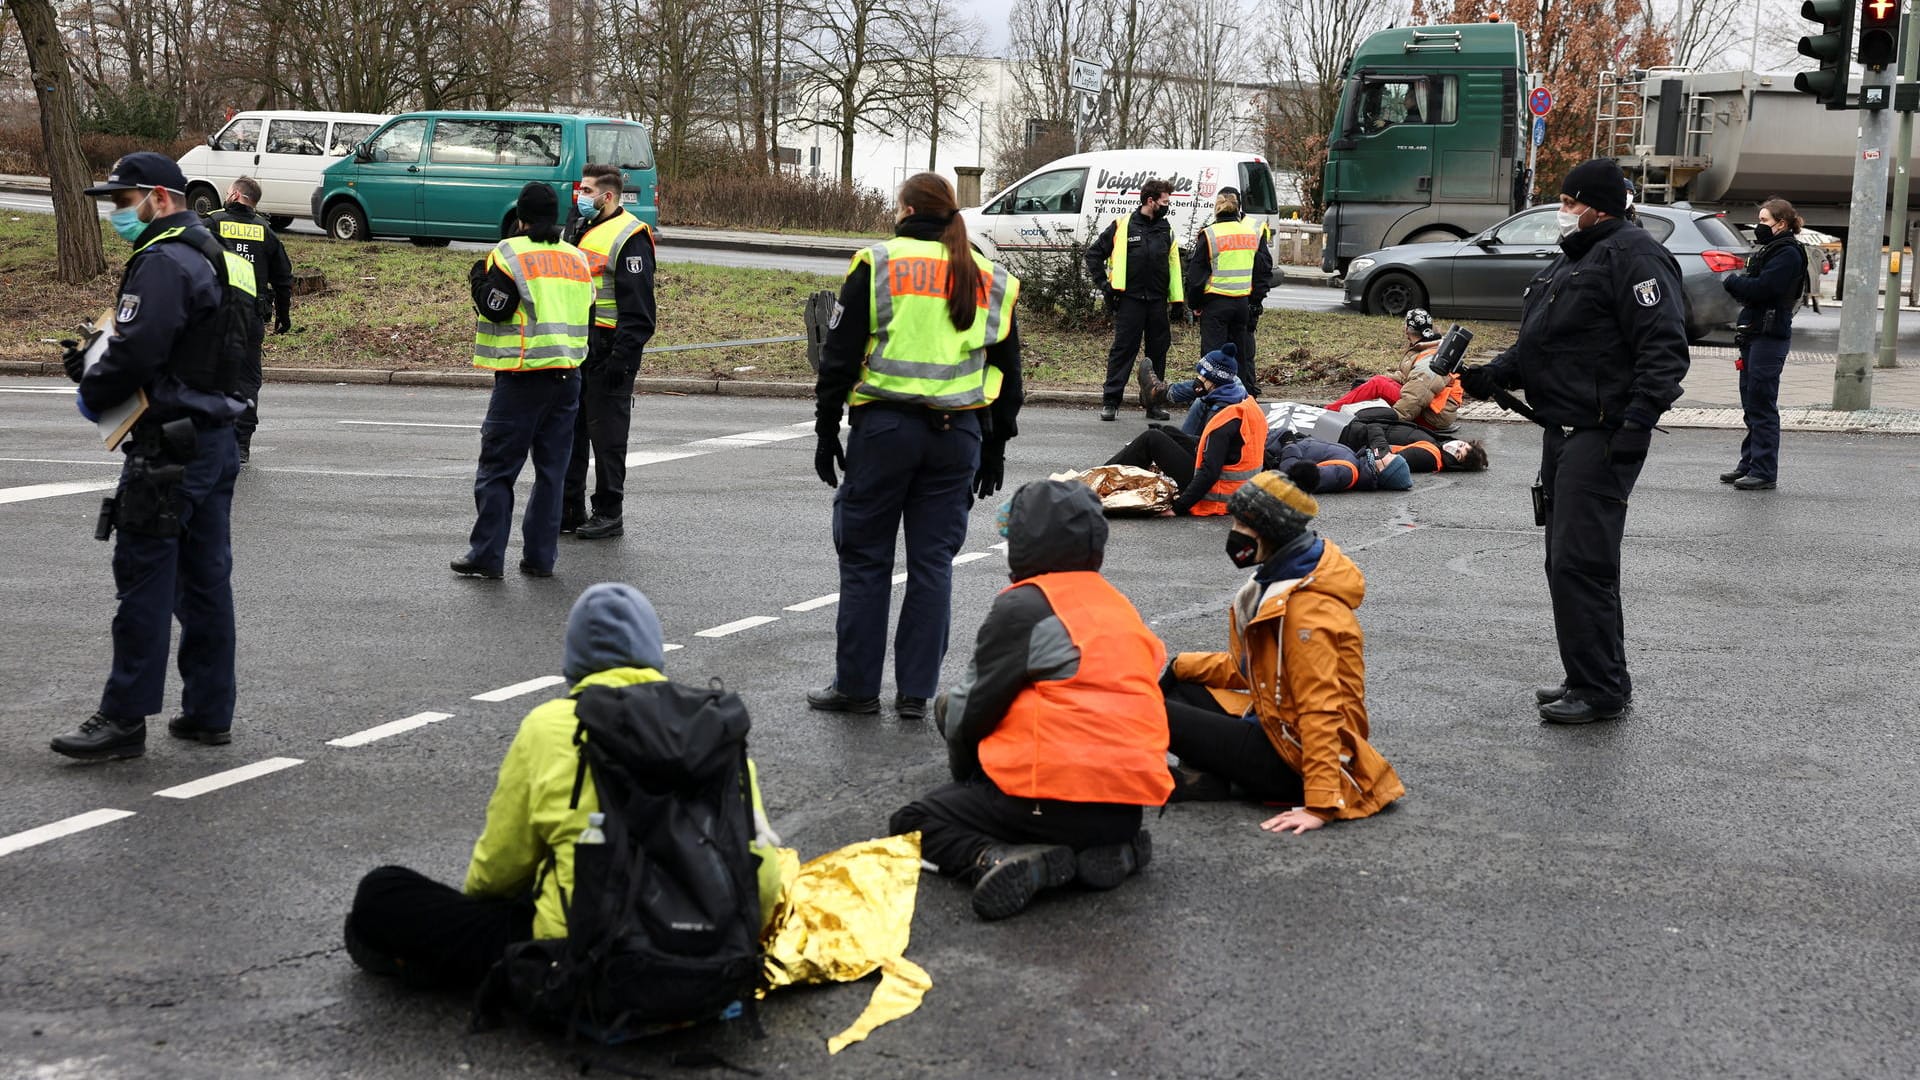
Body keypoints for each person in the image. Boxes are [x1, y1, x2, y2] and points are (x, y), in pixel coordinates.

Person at [345, 583, 786, 990]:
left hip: (584, 961)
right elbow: (761, 870)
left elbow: (500, 868)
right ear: (655, 654)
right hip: (716, 961)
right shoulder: (715, 724)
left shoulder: (552, 724)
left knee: (382, 893)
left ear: (574, 665)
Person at [1459, 158, 1690, 725]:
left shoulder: (1636, 258)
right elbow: (1546, 344)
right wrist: (1497, 373)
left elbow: (1664, 351)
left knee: (1580, 563)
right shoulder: (1575, 260)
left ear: (1594, 204)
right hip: (1563, 432)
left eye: (1568, 201)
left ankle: (1599, 688)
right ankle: (1591, 672)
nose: (1562, 210)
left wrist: (1636, 425)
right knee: (1567, 563)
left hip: (1602, 433)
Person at [890, 480, 1169, 921]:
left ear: (1025, 541)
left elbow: (969, 710)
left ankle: (996, 857)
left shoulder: (1026, 606)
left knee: (914, 822)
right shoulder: (1115, 603)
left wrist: (968, 782)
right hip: (1126, 808)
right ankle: (1120, 850)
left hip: (1049, 804)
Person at [51, 152, 249, 760]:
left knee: (144, 580)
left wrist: (92, 383)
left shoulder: (163, 261)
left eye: (121, 199)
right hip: (214, 437)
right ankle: (208, 711)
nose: (116, 211)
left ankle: (123, 718)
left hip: (167, 445)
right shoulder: (219, 254)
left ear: (159, 198)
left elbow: (139, 351)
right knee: (206, 580)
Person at [810, 172, 1022, 721]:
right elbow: (1008, 374)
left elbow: (839, 353)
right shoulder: (989, 275)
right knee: (933, 565)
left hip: (885, 431)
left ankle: (857, 689)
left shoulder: (877, 263)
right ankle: (915, 694)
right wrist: (996, 447)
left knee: (865, 560)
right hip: (958, 437)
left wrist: (826, 426)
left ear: (905, 210)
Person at [1160, 472, 1404, 829]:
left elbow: (1321, 705)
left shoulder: (1306, 610)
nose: (1233, 529)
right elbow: (1252, 669)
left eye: (1240, 522)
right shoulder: (1283, 575)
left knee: (1145, 710)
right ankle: (1211, 778)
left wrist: (1320, 805)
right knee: (1183, 686)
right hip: (1276, 726)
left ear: (1266, 530)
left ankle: (1205, 776)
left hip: (1292, 761)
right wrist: (1181, 664)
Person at [453, 183, 593, 580]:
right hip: (567, 377)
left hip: (522, 375)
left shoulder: (509, 253)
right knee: (552, 472)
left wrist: (479, 281)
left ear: (520, 217)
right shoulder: (577, 258)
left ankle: (486, 556)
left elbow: (497, 307)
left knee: (498, 470)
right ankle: (540, 559)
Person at [561, 163, 657, 539]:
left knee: (608, 437)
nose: (580, 197)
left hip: (608, 349)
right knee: (571, 432)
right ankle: (570, 508)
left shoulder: (629, 235)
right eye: (580, 190)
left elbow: (639, 309)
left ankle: (608, 511)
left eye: (586, 192)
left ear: (608, 196)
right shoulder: (579, 228)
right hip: (576, 346)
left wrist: (623, 356)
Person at [1104, 350, 1268, 517]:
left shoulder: (1223, 420)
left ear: (1214, 381)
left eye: (1202, 376)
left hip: (1216, 496)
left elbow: (1209, 473)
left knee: (1151, 439)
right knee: (1166, 432)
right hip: (1236, 489)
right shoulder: (1244, 402)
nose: (1197, 380)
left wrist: (1177, 509)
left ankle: (1100, 479)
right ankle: (1106, 475)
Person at [199, 175, 291, 464]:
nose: (226, 196)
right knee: (248, 379)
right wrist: (284, 316)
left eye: (228, 193)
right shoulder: (266, 231)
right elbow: (283, 279)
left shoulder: (211, 223)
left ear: (236, 196)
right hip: (250, 316)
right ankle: (241, 444)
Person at [1720, 197, 1808, 491]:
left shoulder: (1788, 254)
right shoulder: (1771, 249)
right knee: (1751, 401)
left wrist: (1733, 282)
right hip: (1755, 331)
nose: (1758, 227)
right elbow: (1754, 290)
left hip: (1769, 334)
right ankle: (1750, 463)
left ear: (1781, 224)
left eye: (1764, 221)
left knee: (1761, 402)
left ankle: (1764, 470)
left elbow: (1763, 289)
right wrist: (1743, 286)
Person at [1085, 179, 1181, 422]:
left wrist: (1178, 301)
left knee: (1157, 353)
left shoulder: (1166, 230)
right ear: (1151, 201)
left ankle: (1153, 404)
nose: (1168, 206)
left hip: (1157, 302)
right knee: (1123, 351)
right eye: (1165, 202)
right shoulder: (1122, 226)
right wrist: (1105, 286)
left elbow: (1174, 266)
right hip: (1130, 301)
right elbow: (1093, 255)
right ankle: (1111, 402)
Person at [1183, 187, 1273, 396]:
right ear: (1238, 208)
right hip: (1242, 303)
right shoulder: (1251, 234)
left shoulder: (1211, 234)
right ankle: (1241, 400)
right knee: (1240, 356)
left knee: (1213, 357)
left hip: (1216, 304)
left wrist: (1195, 305)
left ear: (1217, 209)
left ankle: (1210, 400)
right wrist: (1255, 301)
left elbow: (1196, 277)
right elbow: (1262, 268)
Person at [1325, 309, 1466, 435]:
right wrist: (1369, 383)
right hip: (1434, 410)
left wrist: (1395, 417)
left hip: (1432, 418)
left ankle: (1328, 415)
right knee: (1378, 381)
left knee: (1378, 383)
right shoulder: (1428, 348)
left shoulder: (1429, 360)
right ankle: (1332, 411)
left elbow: (1417, 396)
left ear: (1407, 329)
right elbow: (1406, 377)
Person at [1333, 408, 1487, 474]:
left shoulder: (1429, 456)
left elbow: (1385, 458)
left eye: (1458, 455)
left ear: (1456, 465)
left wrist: (1373, 428)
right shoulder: (1436, 444)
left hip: (1349, 436)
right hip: (1357, 429)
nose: (1454, 448)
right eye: (1460, 445)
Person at [1150, 343, 1246, 436]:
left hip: (1199, 449)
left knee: (1200, 401)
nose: (1199, 379)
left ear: (1215, 382)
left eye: (1204, 376)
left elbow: (1207, 447)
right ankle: (1165, 392)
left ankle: (1164, 392)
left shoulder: (1219, 410)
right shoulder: (1233, 391)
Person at [1269, 434, 1413, 494]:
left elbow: (1297, 479)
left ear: (1382, 470)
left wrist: (1289, 445)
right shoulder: (1355, 461)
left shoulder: (1346, 472)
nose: (1388, 453)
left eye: (1390, 458)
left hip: (1271, 449)